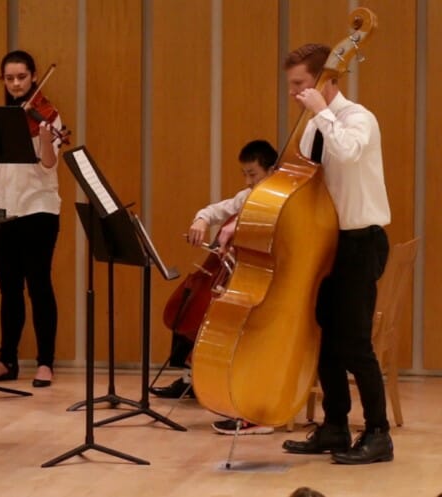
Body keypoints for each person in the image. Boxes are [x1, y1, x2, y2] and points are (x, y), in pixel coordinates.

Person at [278, 43, 393, 464]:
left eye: (301, 84)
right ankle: (335, 427)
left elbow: (346, 151)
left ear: (326, 80)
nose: (295, 94)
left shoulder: (359, 118)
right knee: (326, 338)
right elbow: (301, 180)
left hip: (361, 242)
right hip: (327, 243)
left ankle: (378, 434)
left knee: (355, 342)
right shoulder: (312, 126)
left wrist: (319, 112)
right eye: (291, 86)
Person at [152, 140, 280, 439]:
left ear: (271, 171)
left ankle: (245, 401)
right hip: (236, 277)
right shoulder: (247, 195)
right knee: (191, 303)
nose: (248, 182)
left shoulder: (280, 203)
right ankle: (192, 377)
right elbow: (215, 210)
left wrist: (238, 230)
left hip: (262, 286)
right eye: (245, 175)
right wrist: (201, 219)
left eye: (253, 174)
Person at [0, 50, 61, 387]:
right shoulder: (0, 119)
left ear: (33, 76)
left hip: (39, 209)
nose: (16, 83)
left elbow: (49, 164)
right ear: (3, 80)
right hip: (4, 211)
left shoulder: (48, 115)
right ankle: (6, 359)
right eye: (10, 78)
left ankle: (46, 362)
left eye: (22, 77)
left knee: (39, 285)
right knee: (9, 288)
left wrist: (46, 138)